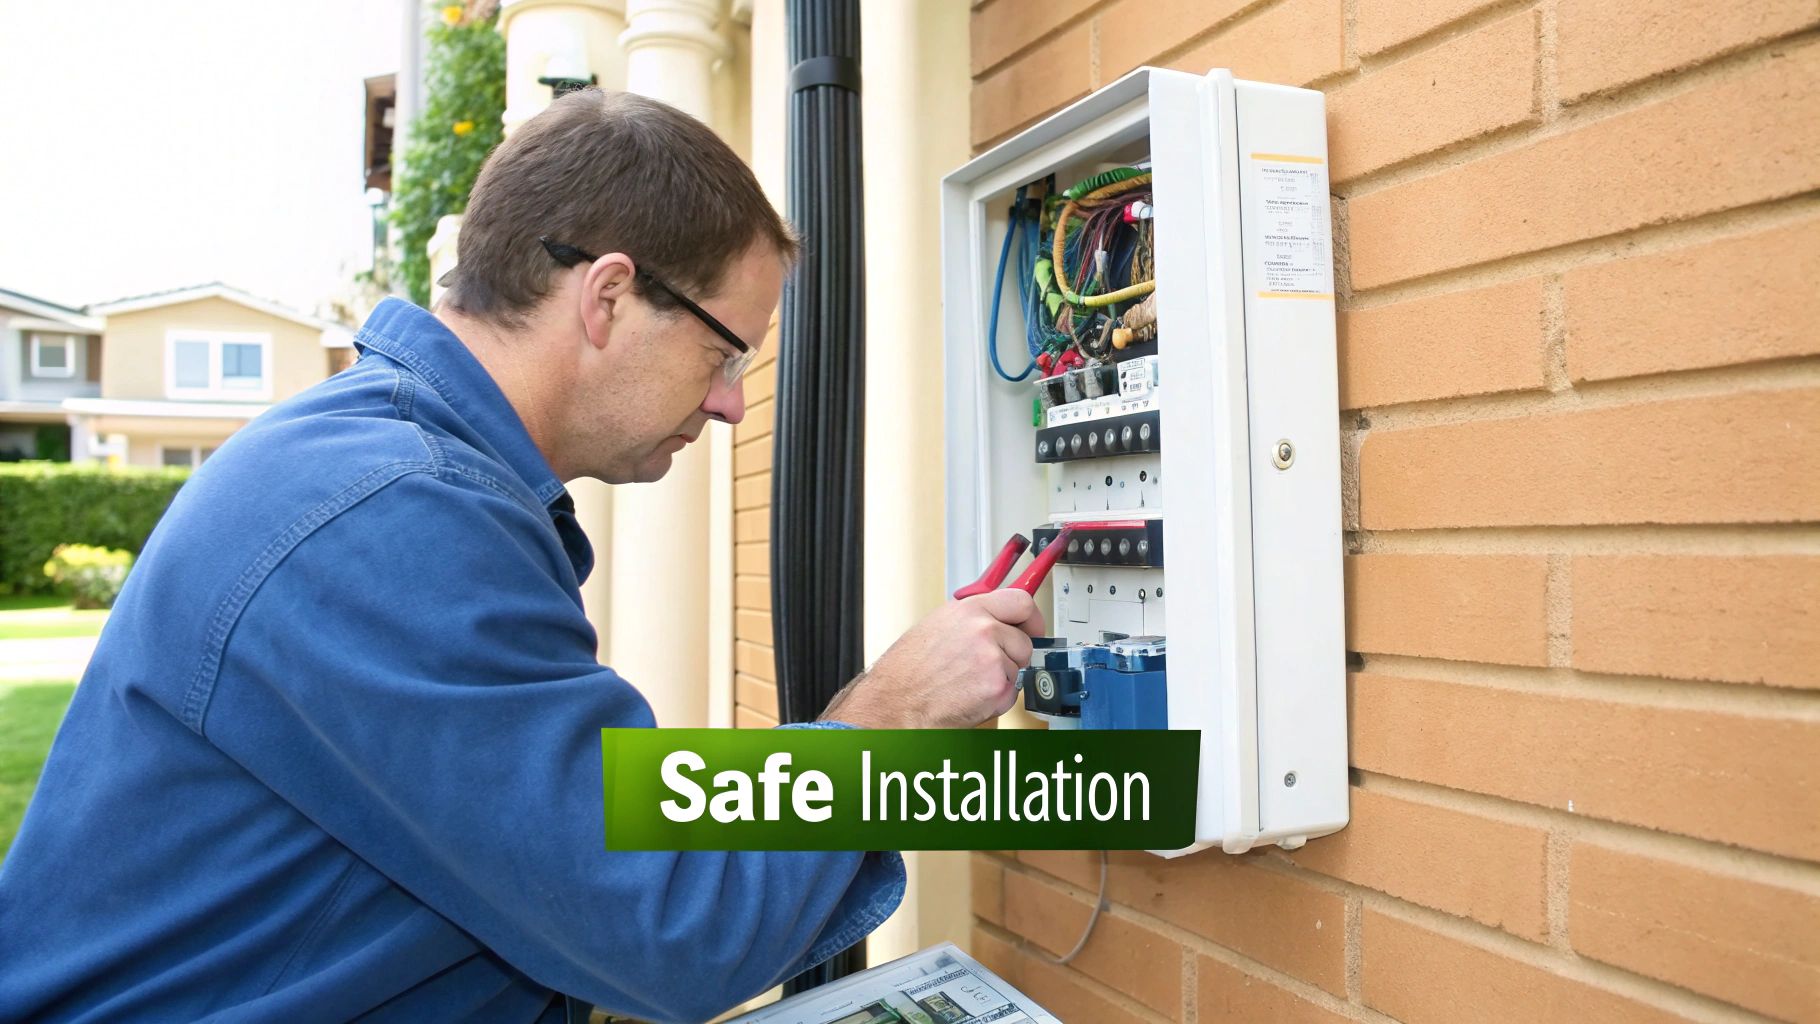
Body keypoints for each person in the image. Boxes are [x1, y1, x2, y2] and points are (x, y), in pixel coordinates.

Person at [0, 89, 1044, 1023]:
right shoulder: (394, 517)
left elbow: (597, 815)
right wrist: (894, 715)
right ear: (607, 296)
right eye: (724, 351)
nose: (729, 402)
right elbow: (670, 922)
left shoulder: (396, 468)